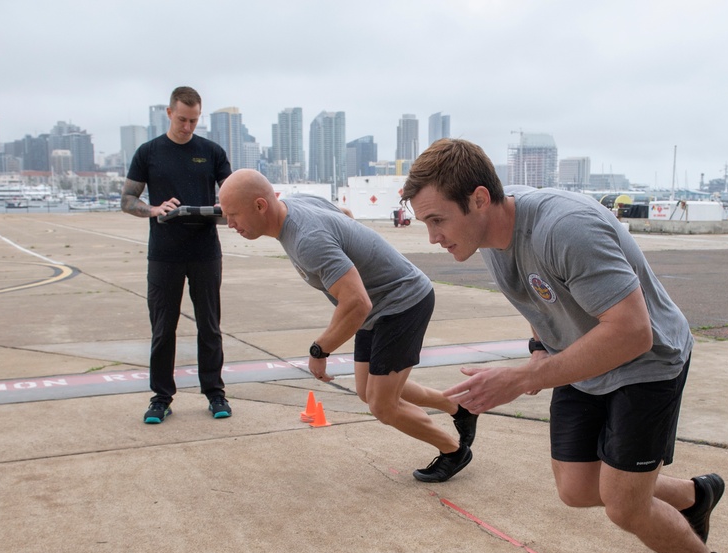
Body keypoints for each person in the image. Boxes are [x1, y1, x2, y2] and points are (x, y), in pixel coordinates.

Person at [401, 138, 728, 553]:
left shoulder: (564, 229)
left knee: (623, 505)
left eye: (437, 220)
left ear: (479, 199)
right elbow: (542, 306)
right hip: (582, 361)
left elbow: (634, 332)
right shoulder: (489, 240)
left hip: (646, 363)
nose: (433, 238)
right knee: (577, 489)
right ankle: (692, 495)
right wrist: (538, 355)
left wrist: (528, 377)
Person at [218, 169, 478, 482]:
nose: (230, 225)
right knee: (367, 391)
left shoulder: (306, 240)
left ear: (261, 206)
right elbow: (343, 214)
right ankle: (458, 407)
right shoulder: (293, 206)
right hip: (379, 305)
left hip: (403, 301)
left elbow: (356, 303)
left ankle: (453, 450)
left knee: (383, 406)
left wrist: (320, 348)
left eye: (233, 216)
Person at [121, 86, 233, 424]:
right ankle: (161, 398)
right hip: (164, 255)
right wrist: (154, 209)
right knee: (162, 329)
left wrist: (219, 207)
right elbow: (127, 200)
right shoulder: (149, 152)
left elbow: (232, 196)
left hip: (205, 252)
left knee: (209, 327)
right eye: (182, 119)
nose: (187, 127)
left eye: (194, 121)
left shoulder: (212, 152)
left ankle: (215, 393)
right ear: (169, 113)